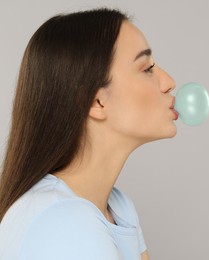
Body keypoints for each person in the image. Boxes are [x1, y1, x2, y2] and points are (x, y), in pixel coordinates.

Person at [0, 7, 177, 260]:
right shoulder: (63, 220)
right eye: (147, 68)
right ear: (96, 102)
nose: (168, 82)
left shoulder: (119, 209)